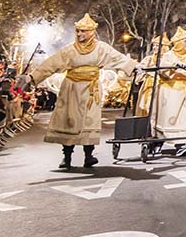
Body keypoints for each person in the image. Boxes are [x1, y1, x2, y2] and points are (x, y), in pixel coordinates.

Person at [19, 14, 138, 169]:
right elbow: (51, 64)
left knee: (89, 121)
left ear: (91, 32)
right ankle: (67, 157)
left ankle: (89, 156)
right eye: (78, 31)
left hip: (91, 89)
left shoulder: (101, 48)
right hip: (71, 89)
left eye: (83, 31)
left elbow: (119, 59)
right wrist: (32, 77)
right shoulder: (69, 50)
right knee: (69, 121)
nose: (80, 34)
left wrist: (134, 66)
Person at [144, 26, 186, 156]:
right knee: (166, 120)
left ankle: (180, 145)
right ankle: (158, 143)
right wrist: (173, 66)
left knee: (183, 120)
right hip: (169, 92)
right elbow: (162, 69)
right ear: (178, 43)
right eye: (185, 41)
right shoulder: (168, 56)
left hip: (185, 93)